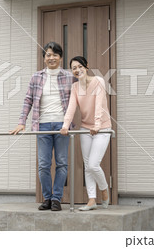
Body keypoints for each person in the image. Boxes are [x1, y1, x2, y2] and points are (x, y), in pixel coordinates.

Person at [10, 42, 76, 211]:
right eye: (48, 54)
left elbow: (80, 97)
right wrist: (21, 122)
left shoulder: (69, 77)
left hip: (63, 125)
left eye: (55, 55)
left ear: (61, 57)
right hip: (42, 125)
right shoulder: (36, 77)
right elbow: (28, 100)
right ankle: (47, 198)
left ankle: (56, 199)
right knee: (43, 164)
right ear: (44, 58)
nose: (51, 57)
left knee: (62, 163)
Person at [60, 56, 112, 211]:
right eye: (74, 68)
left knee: (93, 165)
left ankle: (103, 189)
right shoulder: (75, 88)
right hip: (85, 129)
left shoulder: (98, 81)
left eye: (79, 66)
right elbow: (71, 108)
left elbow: (99, 104)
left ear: (87, 66)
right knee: (87, 166)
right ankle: (91, 200)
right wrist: (65, 125)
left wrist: (97, 125)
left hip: (102, 128)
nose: (77, 70)